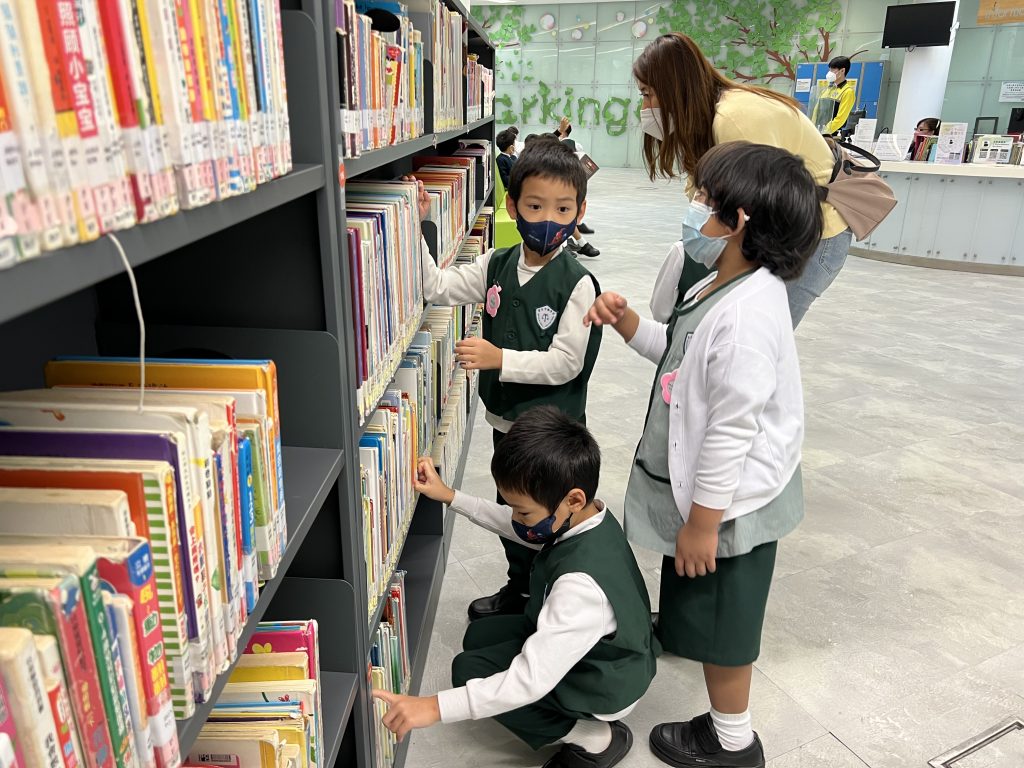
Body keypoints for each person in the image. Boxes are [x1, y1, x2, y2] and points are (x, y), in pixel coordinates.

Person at [584, 141, 819, 768]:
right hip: (715, 501)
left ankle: (731, 742)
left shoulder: (746, 320)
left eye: (706, 201)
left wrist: (703, 524)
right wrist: (629, 323)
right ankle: (711, 686)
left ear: (738, 220)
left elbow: (729, 432)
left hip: (729, 508)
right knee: (706, 607)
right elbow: (680, 355)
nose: (695, 208)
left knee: (726, 628)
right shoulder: (727, 283)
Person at [372, 406, 657, 768]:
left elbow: (528, 681)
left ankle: (595, 738)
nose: (518, 520)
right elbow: (517, 524)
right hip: (609, 653)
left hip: (606, 682)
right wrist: (450, 496)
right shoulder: (587, 516)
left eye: (524, 512)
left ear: (573, 499)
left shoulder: (579, 588)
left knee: (468, 671)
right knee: (479, 637)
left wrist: (433, 707)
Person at [412, 138, 603, 621]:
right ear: (513, 206)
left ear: (580, 212)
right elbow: (437, 286)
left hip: (551, 432)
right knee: (516, 508)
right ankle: (521, 588)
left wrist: (500, 358)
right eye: (535, 206)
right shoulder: (496, 264)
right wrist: (414, 226)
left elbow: (567, 363)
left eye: (563, 209)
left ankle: (556, 594)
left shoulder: (578, 283)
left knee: (551, 515)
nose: (548, 220)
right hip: (505, 424)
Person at [633, 32, 853, 327]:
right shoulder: (712, 119)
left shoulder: (735, 120)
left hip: (810, 237)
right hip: (780, 233)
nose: (645, 108)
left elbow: (761, 208)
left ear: (675, 88)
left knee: (756, 331)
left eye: (647, 94)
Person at [812, 56, 856, 136]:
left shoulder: (848, 92)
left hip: (831, 135)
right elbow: (816, 111)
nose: (830, 72)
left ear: (842, 71)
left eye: (833, 69)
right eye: (830, 69)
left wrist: (825, 131)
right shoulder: (827, 89)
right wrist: (812, 127)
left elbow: (841, 118)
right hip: (818, 132)